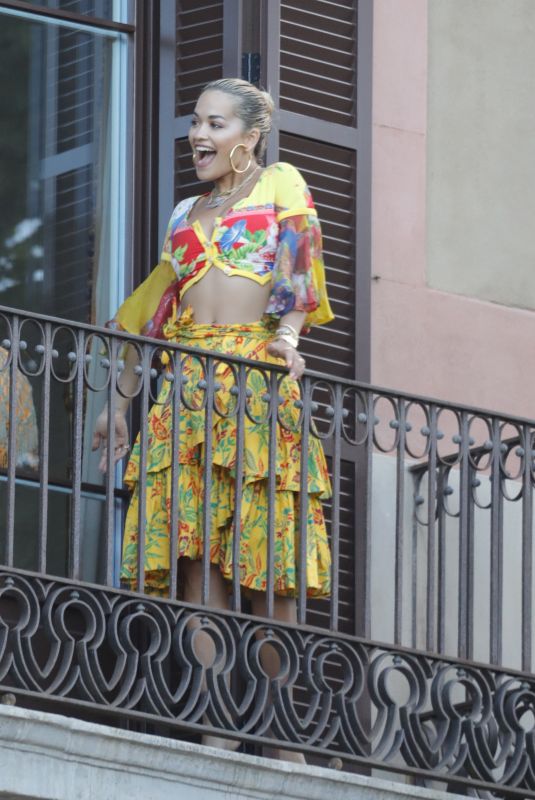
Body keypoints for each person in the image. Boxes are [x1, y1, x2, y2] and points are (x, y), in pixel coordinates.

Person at [92, 78, 334, 758]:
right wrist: (119, 401)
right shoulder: (183, 214)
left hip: (253, 382)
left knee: (266, 563)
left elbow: (301, 263)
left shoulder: (280, 182)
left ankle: (282, 732)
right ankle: (216, 727)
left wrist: (287, 338)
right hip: (187, 389)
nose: (198, 135)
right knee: (196, 563)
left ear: (250, 136)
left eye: (215, 124)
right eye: (196, 122)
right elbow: (151, 312)